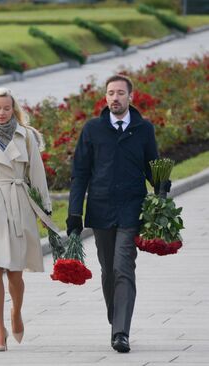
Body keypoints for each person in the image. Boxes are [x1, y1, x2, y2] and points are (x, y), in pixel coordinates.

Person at [66, 74, 169, 353]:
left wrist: (162, 191)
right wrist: (74, 213)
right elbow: (80, 174)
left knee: (124, 266)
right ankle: (117, 319)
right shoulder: (92, 130)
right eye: (110, 93)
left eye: (120, 93)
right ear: (105, 97)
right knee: (108, 271)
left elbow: (153, 166)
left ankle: (121, 331)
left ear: (130, 97)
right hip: (100, 211)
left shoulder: (143, 129)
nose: (115, 97)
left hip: (131, 210)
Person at [0, 87, 52, 352]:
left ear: (13, 110)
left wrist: (45, 208)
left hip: (20, 203)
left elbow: (37, 175)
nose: (1, 113)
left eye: (6, 108)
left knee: (15, 271)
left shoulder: (26, 136)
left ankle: (16, 312)